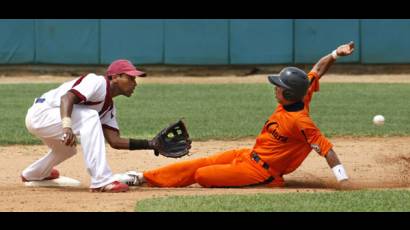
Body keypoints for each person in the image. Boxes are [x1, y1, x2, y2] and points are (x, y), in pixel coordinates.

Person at [118, 42, 356, 189]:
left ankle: (268, 184)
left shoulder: (302, 122)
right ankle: (142, 177)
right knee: (199, 164)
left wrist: (343, 181)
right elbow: (317, 69)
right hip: (248, 156)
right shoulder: (302, 93)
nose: (275, 87)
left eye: (278, 85)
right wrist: (336, 52)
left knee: (202, 175)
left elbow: (327, 150)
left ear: (289, 93)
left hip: (263, 173)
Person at [22, 59, 162, 192]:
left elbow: (115, 141)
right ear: (115, 77)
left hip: (50, 121)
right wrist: (67, 127)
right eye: (130, 78)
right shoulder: (97, 82)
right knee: (90, 116)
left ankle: (34, 173)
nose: (135, 83)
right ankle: (101, 180)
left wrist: (151, 144)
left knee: (67, 149)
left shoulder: (109, 108)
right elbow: (67, 98)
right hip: (41, 114)